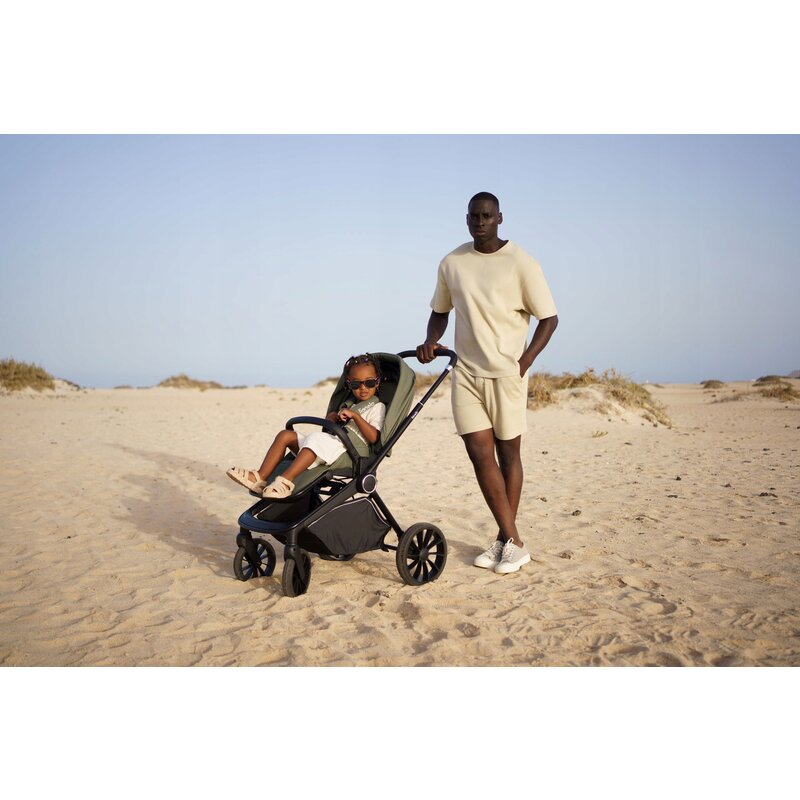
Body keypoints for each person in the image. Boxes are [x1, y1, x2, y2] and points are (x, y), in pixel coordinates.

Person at [417, 192, 558, 575]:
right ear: (466, 219)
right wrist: (430, 340)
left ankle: (506, 541)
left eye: (486, 216)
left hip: (506, 376)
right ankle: (512, 541)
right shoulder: (452, 263)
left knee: (508, 456)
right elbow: (439, 312)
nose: (479, 222)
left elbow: (549, 319)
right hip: (466, 373)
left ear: (499, 218)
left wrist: (524, 363)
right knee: (479, 454)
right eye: (474, 216)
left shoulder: (522, 263)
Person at [227, 354, 386, 499]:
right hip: (332, 447)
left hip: (351, 454)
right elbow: (333, 433)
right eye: (356, 384)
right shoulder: (349, 405)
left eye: (369, 382)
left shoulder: (377, 407)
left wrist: (356, 417)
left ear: (377, 382)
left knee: (316, 438)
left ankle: (285, 481)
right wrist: (332, 419)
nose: (363, 388)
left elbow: (374, 437)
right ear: (349, 384)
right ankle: (260, 478)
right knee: (285, 435)